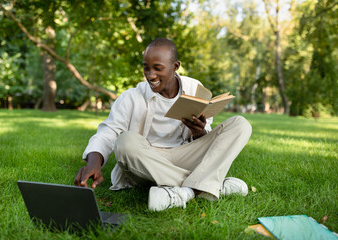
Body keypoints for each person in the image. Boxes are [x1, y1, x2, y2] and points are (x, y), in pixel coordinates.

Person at [74, 38, 252, 211]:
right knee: (125, 142)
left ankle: (186, 191)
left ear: (175, 67)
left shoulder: (194, 88)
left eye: (158, 69)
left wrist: (199, 133)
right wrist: (93, 163)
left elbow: (204, 139)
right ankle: (209, 186)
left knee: (240, 124)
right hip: (147, 161)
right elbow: (108, 132)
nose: (150, 75)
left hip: (184, 156)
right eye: (146, 68)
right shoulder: (131, 97)